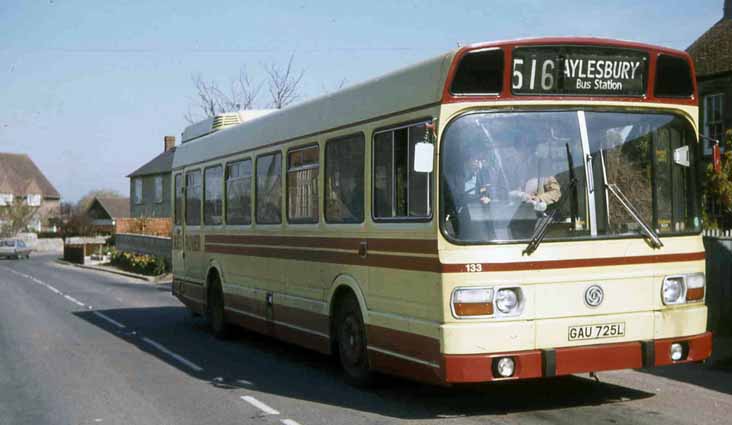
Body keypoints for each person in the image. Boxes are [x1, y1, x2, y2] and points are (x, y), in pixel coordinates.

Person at [509, 138, 561, 213]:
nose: (518, 151)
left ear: (532, 148)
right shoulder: (515, 167)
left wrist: (539, 199)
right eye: (517, 147)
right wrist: (518, 194)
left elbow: (556, 192)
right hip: (516, 215)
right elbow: (509, 190)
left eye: (522, 146)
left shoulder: (542, 165)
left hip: (538, 217)